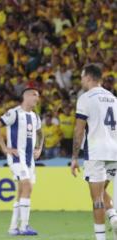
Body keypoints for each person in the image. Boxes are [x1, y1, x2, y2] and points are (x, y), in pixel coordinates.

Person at [70, 64, 117, 240]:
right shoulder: (112, 98)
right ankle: (113, 217)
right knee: (102, 190)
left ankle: (101, 238)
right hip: (114, 152)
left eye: (82, 77)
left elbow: (79, 131)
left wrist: (74, 157)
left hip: (96, 151)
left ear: (88, 77)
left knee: (96, 197)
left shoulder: (85, 98)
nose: (81, 81)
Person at [0, 88, 43, 236]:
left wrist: (39, 148)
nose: (37, 98)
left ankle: (13, 227)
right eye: (35, 95)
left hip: (29, 160)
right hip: (16, 157)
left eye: (37, 96)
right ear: (26, 96)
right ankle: (24, 226)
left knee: (21, 191)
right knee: (27, 186)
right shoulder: (14, 113)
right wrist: (4, 147)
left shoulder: (35, 116)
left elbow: (40, 132)